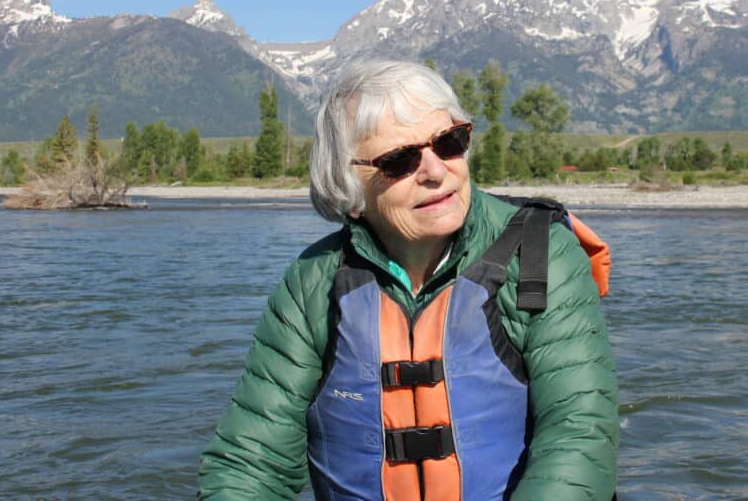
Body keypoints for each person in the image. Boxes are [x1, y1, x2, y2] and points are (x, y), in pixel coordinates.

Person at [199, 60, 619, 500]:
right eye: (400, 160)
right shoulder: (313, 284)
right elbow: (249, 463)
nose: (436, 171)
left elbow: (580, 432)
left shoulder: (540, 253)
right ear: (348, 188)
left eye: (448, 142)